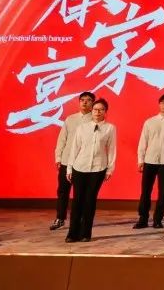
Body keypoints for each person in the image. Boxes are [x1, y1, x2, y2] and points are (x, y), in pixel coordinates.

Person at [64, 97, 116, 243]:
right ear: (91, 111)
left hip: (98, 168)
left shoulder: (110, 128)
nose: (97, 112)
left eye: (101, 110)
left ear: (105, 112)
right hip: (79, 167)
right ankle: (72, 233)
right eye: (95, 109)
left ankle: (86, 233)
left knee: (90, 201)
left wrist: (109, 169)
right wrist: (69, 168)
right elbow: (75, 148)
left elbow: (112, 149)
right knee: (77, 201)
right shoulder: (82, 128)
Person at [134, 92, 164, 230]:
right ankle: (143, 219)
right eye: (162, 102)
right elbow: (143, 141)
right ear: (159, 104)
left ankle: (158, 219)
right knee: (145, 191)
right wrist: (140, 159)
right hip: (149, 161)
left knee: (163, 192)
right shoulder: (150, 122)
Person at [50, 91, 93, 230]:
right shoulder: (70, 119)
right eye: (82, 100)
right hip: (66, 160)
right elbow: (62, 139)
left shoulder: (94, 120)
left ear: (93, 103)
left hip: (83, 163)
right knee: (63, 191)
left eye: (88, 100)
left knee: (80, 193)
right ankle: (60, 218)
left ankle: (79, 219)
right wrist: (58, 157)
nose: (85, 102)